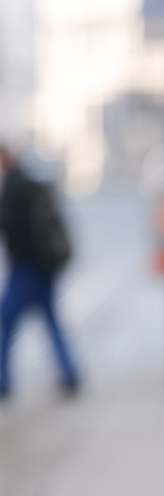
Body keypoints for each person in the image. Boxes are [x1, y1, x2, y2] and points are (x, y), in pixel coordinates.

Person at [0, 144, 81, 400]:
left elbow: (9, 224)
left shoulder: (14, 187)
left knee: (6, 320)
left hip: (26, 266)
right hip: (45, 266)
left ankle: (2, 378)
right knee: (51, 321)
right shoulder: (30, 183)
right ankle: (70, 373)